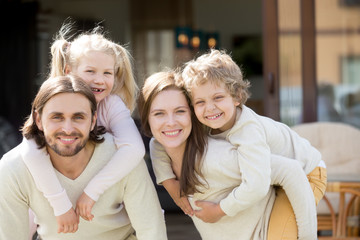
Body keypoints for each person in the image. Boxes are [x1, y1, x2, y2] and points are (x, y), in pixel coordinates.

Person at [137, 70, 318, 240]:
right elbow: (156, 144)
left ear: (192, 114)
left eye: (180, 111)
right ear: (147, 118)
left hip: (271, 224)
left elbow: (291, 171)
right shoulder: (161, 148)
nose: (170, 122)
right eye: (159, 114)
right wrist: (169, 183)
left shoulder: (217, 157)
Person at [179, 49, 327, 239]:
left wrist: (219, 209)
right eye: (200, 102)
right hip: (278, 178)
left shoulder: (248, 132)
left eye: (218, 97)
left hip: (308, 174)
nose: (209, 108)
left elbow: (257, 185)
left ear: (237, 97)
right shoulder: (208, 127)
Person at [0, 75, 167, 240]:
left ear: (93, 120)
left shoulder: (122, 157)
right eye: (56, 117)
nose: (67, 128)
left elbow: (151, 229)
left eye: (78, 117)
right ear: (38, 119)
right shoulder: (13, 168)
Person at [21, 22, 145, 233]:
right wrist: (60, 206)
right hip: (51, 188)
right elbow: (30, 151)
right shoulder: (51, 96)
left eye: (108, 73)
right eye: (90, 71)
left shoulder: (111, 104)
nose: (100, 80)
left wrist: (92, 192)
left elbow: (134, 148)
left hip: (98, 198)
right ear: (69, 70)